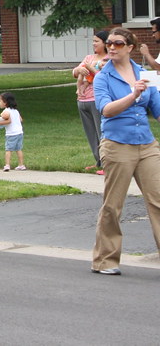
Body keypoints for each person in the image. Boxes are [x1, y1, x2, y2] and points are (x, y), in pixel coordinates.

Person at [91, 27, 160, 275]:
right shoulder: (103, 77)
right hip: (117, 145)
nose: (112, 47)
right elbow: (106, 110)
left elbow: (157, 109)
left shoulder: (144, 73)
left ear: (130, 47)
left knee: (158, 200)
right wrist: (133, 95)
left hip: (147, 144)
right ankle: (105, 260)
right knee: (113, 205)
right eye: (109, 43)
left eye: (118, 44)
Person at [74, 31, 109, 174]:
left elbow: (103, 77)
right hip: (82, 100)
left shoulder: (108, 59)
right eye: (93, 41)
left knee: (101, 132)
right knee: (91, 133)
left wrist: (89, 68)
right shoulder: (89, 57)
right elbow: (75, 73)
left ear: (105, 43)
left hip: (96, 100)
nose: (94, 43)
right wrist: (79, 69)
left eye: (96, 41)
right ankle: (98, 161)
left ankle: (107, 164)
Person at [0, 92, 25, 171]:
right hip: (19, 133)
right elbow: (20, 120)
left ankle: (7, 165)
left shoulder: (6, 111)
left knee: (8, 150)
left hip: (11, 134)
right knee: (18, 149)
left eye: (0, 101)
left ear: (5, 102)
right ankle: (21, 165)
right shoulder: (16, 111)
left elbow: (8, 121)